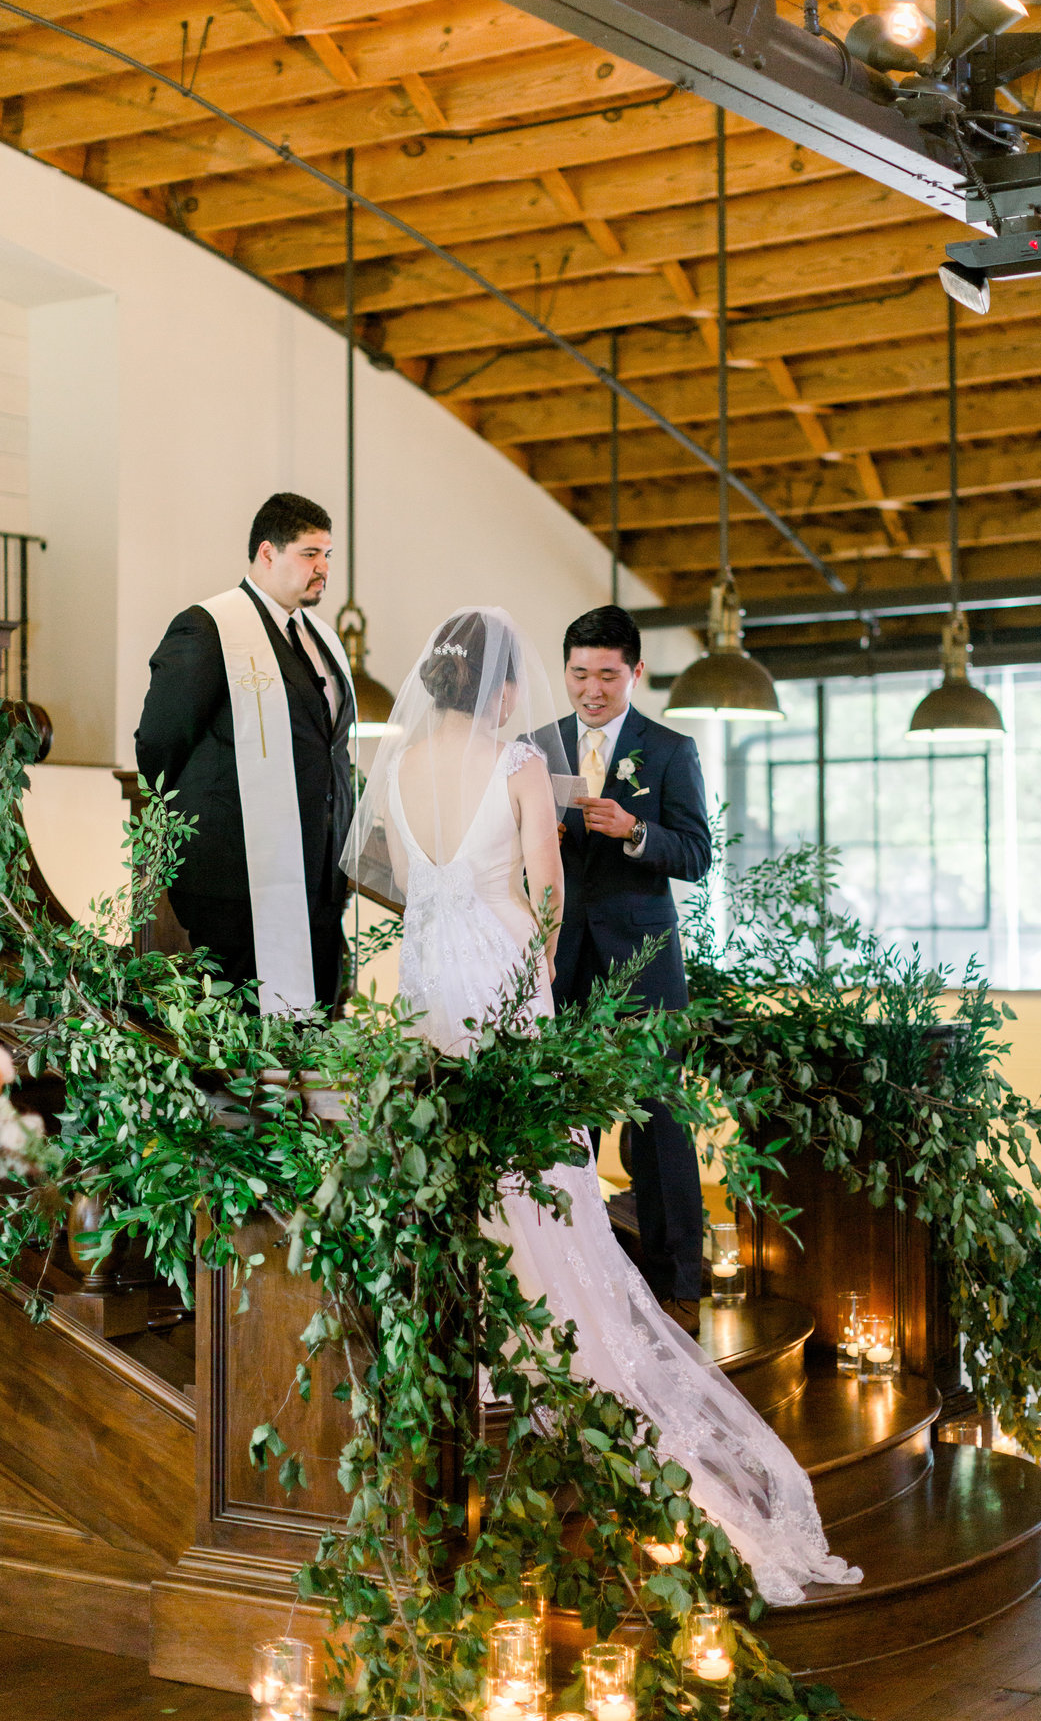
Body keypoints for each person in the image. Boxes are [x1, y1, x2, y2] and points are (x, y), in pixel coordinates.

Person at [340, 605, 861, 1608]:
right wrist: (531, 976)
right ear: (500, 688)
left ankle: (462, 1334)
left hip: (428, 980)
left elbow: (401, 883)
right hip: (503, 972)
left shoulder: (395, 770)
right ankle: (545, 1338)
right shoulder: (519, 764)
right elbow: (545, 895)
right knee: (531, 1168)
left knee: (452, 1153)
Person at [549, 605, 710, 1337]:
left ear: (635, 673)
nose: (591, 689)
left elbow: (697, 855)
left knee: (659, 1123)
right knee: (561, 1123)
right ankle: (576, 1273)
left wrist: (636, 832)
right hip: (558, 963)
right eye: (579, 673)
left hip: (643, 964)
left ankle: (679, 1282)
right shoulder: (535, 746)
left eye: (607, 675)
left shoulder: (670, 750)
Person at [135, 492, 355, 1014]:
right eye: (309, 554)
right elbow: (159, 742)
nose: (323, 568)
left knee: (315, 1028)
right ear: (266, 553)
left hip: (319, 876)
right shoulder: (209, 627)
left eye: (327, 554)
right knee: (244, 1037)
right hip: (237, 877)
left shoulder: (320, 637)